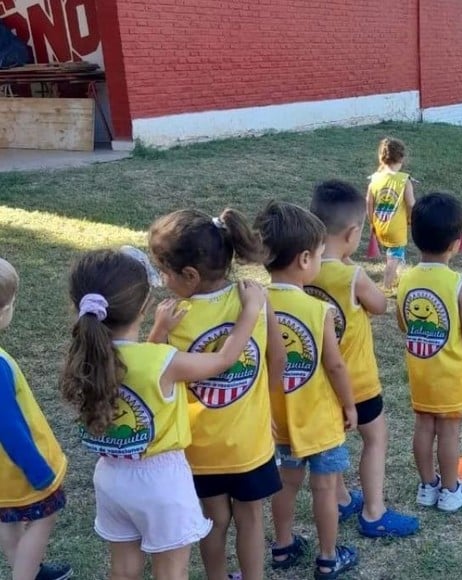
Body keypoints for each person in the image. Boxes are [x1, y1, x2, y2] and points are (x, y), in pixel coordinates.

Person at [59, 248, 266, 580]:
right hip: (162, 482)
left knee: (123, 570)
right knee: (171, 570)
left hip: (112, 478)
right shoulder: (164, 362)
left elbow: (137, 370)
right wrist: (251, 312)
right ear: (143, 307)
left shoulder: (85, 358)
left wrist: (158, 331)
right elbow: (222, 361)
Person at [148, 210, 281, 580]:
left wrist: (158, 329)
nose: (163, 280)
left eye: (165, 272)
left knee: (214, 522)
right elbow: (277, 357)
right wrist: (265, 406)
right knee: (252, 519)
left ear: (189, 275)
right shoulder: (255, 299)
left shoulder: (175, 313)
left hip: (199, 447)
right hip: (249, 443)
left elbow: (149, 369)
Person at [308, 180, 420, 538]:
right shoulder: (351, 275)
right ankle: (374, 511)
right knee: (375, 439)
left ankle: (341, 498)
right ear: (354, 232)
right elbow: (381, 305)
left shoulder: (302, 269)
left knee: (331, 441)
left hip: (317, 380)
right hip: (357, 381)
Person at [254, 201, 359, 579]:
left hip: (276, 418)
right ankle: (328, 557)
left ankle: (282, 547)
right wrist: (349, 405)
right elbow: (334, 365)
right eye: (317, 255)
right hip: (320, 420)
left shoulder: (254, 305)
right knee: (325, 488)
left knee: (286, 484)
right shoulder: (318, 311)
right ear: (303, 260)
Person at [396, 193, 462, 513]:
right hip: (452, 374)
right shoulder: (459, 283)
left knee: (424, 426)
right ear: (456, 242)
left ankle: (427, 486)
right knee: (448, 431)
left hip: (421, 373)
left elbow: (402, 323)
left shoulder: (406, 279)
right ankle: (451, 490)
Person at [0, 257, 71, 580]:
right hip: (16, 471)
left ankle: (25, 570)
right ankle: (26, 574)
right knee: (44, 517)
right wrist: (39, 473)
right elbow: (9, 427)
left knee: (8, 521)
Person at [366, 137, 415, 293]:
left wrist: (371, 222)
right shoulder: (403, 180)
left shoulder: (374, 179)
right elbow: (411, 203)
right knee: (394, 256)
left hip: (380, 223)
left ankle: (396, 279)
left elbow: (368, 202)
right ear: (401, 158)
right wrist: (412, 219)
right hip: (396, 226)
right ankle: (386, 286)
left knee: (395, 253)